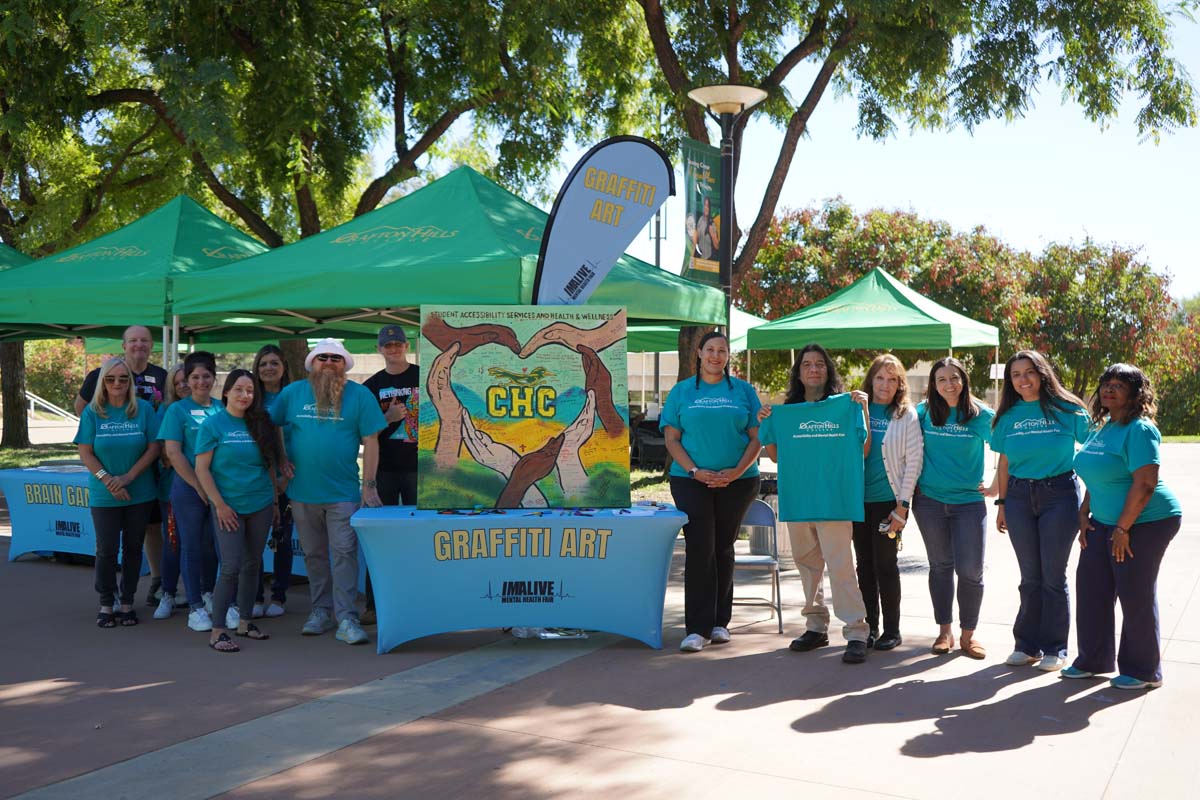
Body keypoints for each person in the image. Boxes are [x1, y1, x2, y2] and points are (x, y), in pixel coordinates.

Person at [1066, 364, 1182, 689]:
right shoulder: (1102, 427)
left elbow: (1145, 484)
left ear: (1136, 393)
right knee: (1091, 587)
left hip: (1146, 522)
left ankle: (1144, 670)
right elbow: (1097, 474)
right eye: (1106, 383)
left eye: (1119, 384)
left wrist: (1123, 528)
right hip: (1103, 522)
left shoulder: (1139, 430)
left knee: (1134, 591)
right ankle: (1093, 659)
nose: (1110, 389)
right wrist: (1084, 511)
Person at [759, 344, 872, 664]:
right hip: (799, 500)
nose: (813, 369)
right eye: (806, 364)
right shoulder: (785, 412)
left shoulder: (845, 406)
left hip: (835, 500)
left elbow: (862, 451)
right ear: (799, 372)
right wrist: (767, 422)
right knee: (807, 568)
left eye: (819, 364)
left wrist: (862, 410)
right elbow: (777, 456)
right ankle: (815, 626)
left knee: (841, 568)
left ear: (828, 370)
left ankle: (855, 631)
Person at [269, 338, 386, 645]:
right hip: (302, 493)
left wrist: (369, 485)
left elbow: (371, 441)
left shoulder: (359, 395)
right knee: (314, 555)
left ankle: (346, 617)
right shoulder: (292, 393)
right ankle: (320, 612)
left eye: (336, 359)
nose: (329, 363)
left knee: (345, 554)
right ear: (312, 364)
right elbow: (271, 426)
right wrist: (280, 459)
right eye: (323, 358)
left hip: (343, 493)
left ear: (344, 365)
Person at [661, 331, 762, 653]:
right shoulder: (682, 391)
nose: (716, 356)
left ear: (728, 356)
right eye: (710, 350)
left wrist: (736, 472)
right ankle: (697, 628)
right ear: (700, 354)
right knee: (700, 546)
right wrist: (694, 470)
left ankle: (720, 623)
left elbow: (757, 438)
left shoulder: (745, 392)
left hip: (740, 481)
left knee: (723, 546)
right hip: (690, 480)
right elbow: (672, 439)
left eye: (722, 351)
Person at [991, 351, 1090, 671]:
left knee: (1052, 576)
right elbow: (1004, 464)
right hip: (1019, 497)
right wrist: (1002, 504)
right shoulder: (1007, 416)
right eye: (1016, 374)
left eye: (1029, 372)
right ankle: (1026, 645)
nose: (1023, 379)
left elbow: (1095, 452)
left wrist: (1094, 500)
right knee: (1029, 577)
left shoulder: (1069, 409)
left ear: (1042, 373)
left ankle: (1055, 648)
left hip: (1059, 496)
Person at [74, 325, 169, 608]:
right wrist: (108, 476)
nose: (117, 383)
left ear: (151, 345)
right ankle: (107, 599)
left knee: (144, 537)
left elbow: (156, 440)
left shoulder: (157, 383)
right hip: (107, 481)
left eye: (144, 340)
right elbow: (84, 427)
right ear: (124, 345)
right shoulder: (95, 392)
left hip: (146, 475)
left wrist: (128, 475)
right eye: (133, 341)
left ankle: (146, 588)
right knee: (106, 548)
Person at [912, 357, 995, 659]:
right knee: (940, 567)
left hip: (969, 504)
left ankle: (968, 635)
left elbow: (1006, 447)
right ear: (933, 384)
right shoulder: (922, 413)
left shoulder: (981, 415)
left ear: (964, 380)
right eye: (942, 379)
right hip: (929, 502)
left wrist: (998, 486)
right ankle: (944, 632)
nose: (949, 384)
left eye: (954, 378)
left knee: (971, 570)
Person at [195, 370, 283, 653]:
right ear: (226, 393)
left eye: (250, 391)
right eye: (239, 390)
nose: (245, 395)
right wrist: (219, 504)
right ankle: (218, 630)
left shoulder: (261, 424)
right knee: (231, 567)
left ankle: (245, 622)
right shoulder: (213, 425)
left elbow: (268, 467)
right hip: (228, 507)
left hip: (260, 504)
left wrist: (275, 502)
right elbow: (202, 469)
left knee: (252, 564)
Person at [854, 354, 923, 651]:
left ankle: (892, 630)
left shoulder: (905, 415)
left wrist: (902, 508)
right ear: (871, 379)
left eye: (892, 379)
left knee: (886, 565)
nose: (885, 384)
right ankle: (869, 627)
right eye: (880, 378)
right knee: (864, 566)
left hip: (888, 503)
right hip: (857, 502)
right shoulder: (856, 409)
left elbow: (913, 463)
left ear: (900, 384)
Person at [158, 351, 223, 632]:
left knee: (214, 546)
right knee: (191, 546)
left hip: (220, 489)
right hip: (188, 489)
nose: (200, 382)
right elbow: (173, 453)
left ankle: (209, 594)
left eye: (206, 376)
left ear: (214, 378)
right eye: (194, 377)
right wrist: (199, 486)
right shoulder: (177, 410)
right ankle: (194, 607)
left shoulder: (223, 408)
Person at [361, 325, 420, 625]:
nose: (393, 348)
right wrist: (389, 417)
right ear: (378, 349)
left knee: (419, 537)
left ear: (407, 345)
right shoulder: (371, 386)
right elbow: (364, 434)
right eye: (388, 345)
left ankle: (419, 599)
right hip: (383, 470)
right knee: (379, 537)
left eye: (398, 343)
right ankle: (374, 605)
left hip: (421, 471)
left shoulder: (423, 375)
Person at [251, 345, 293, 619]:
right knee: (254, 540)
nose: (268, 367)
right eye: (263, 363)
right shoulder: (250, 398)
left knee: (283, 538)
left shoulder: (294, 396)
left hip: (290, 479)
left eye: (274, 362)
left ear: (283, 367)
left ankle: (279, 595)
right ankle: (255, 595)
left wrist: (284, 479)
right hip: (255, 479)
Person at [152, 364, 190, 619]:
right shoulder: (166, 411)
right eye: (179, 383)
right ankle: (167, 593)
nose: (185, 385)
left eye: (189, 379)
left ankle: (200, 593)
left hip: (206, 488)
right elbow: (163, 451)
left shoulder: (213, 409)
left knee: (201, 545)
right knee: (173, 542)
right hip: (172, 489)